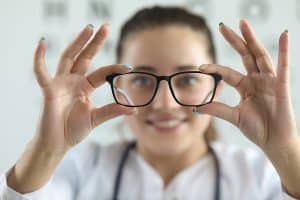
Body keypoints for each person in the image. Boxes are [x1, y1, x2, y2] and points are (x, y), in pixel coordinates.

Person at [0, 5, 299, 200]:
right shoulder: (82, 168)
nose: (165, 104)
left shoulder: (260, 176)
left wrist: (287, 153)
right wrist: (47, 150)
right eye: (143, 80)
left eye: (188, 79)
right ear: (119, 85)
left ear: (218, 86)